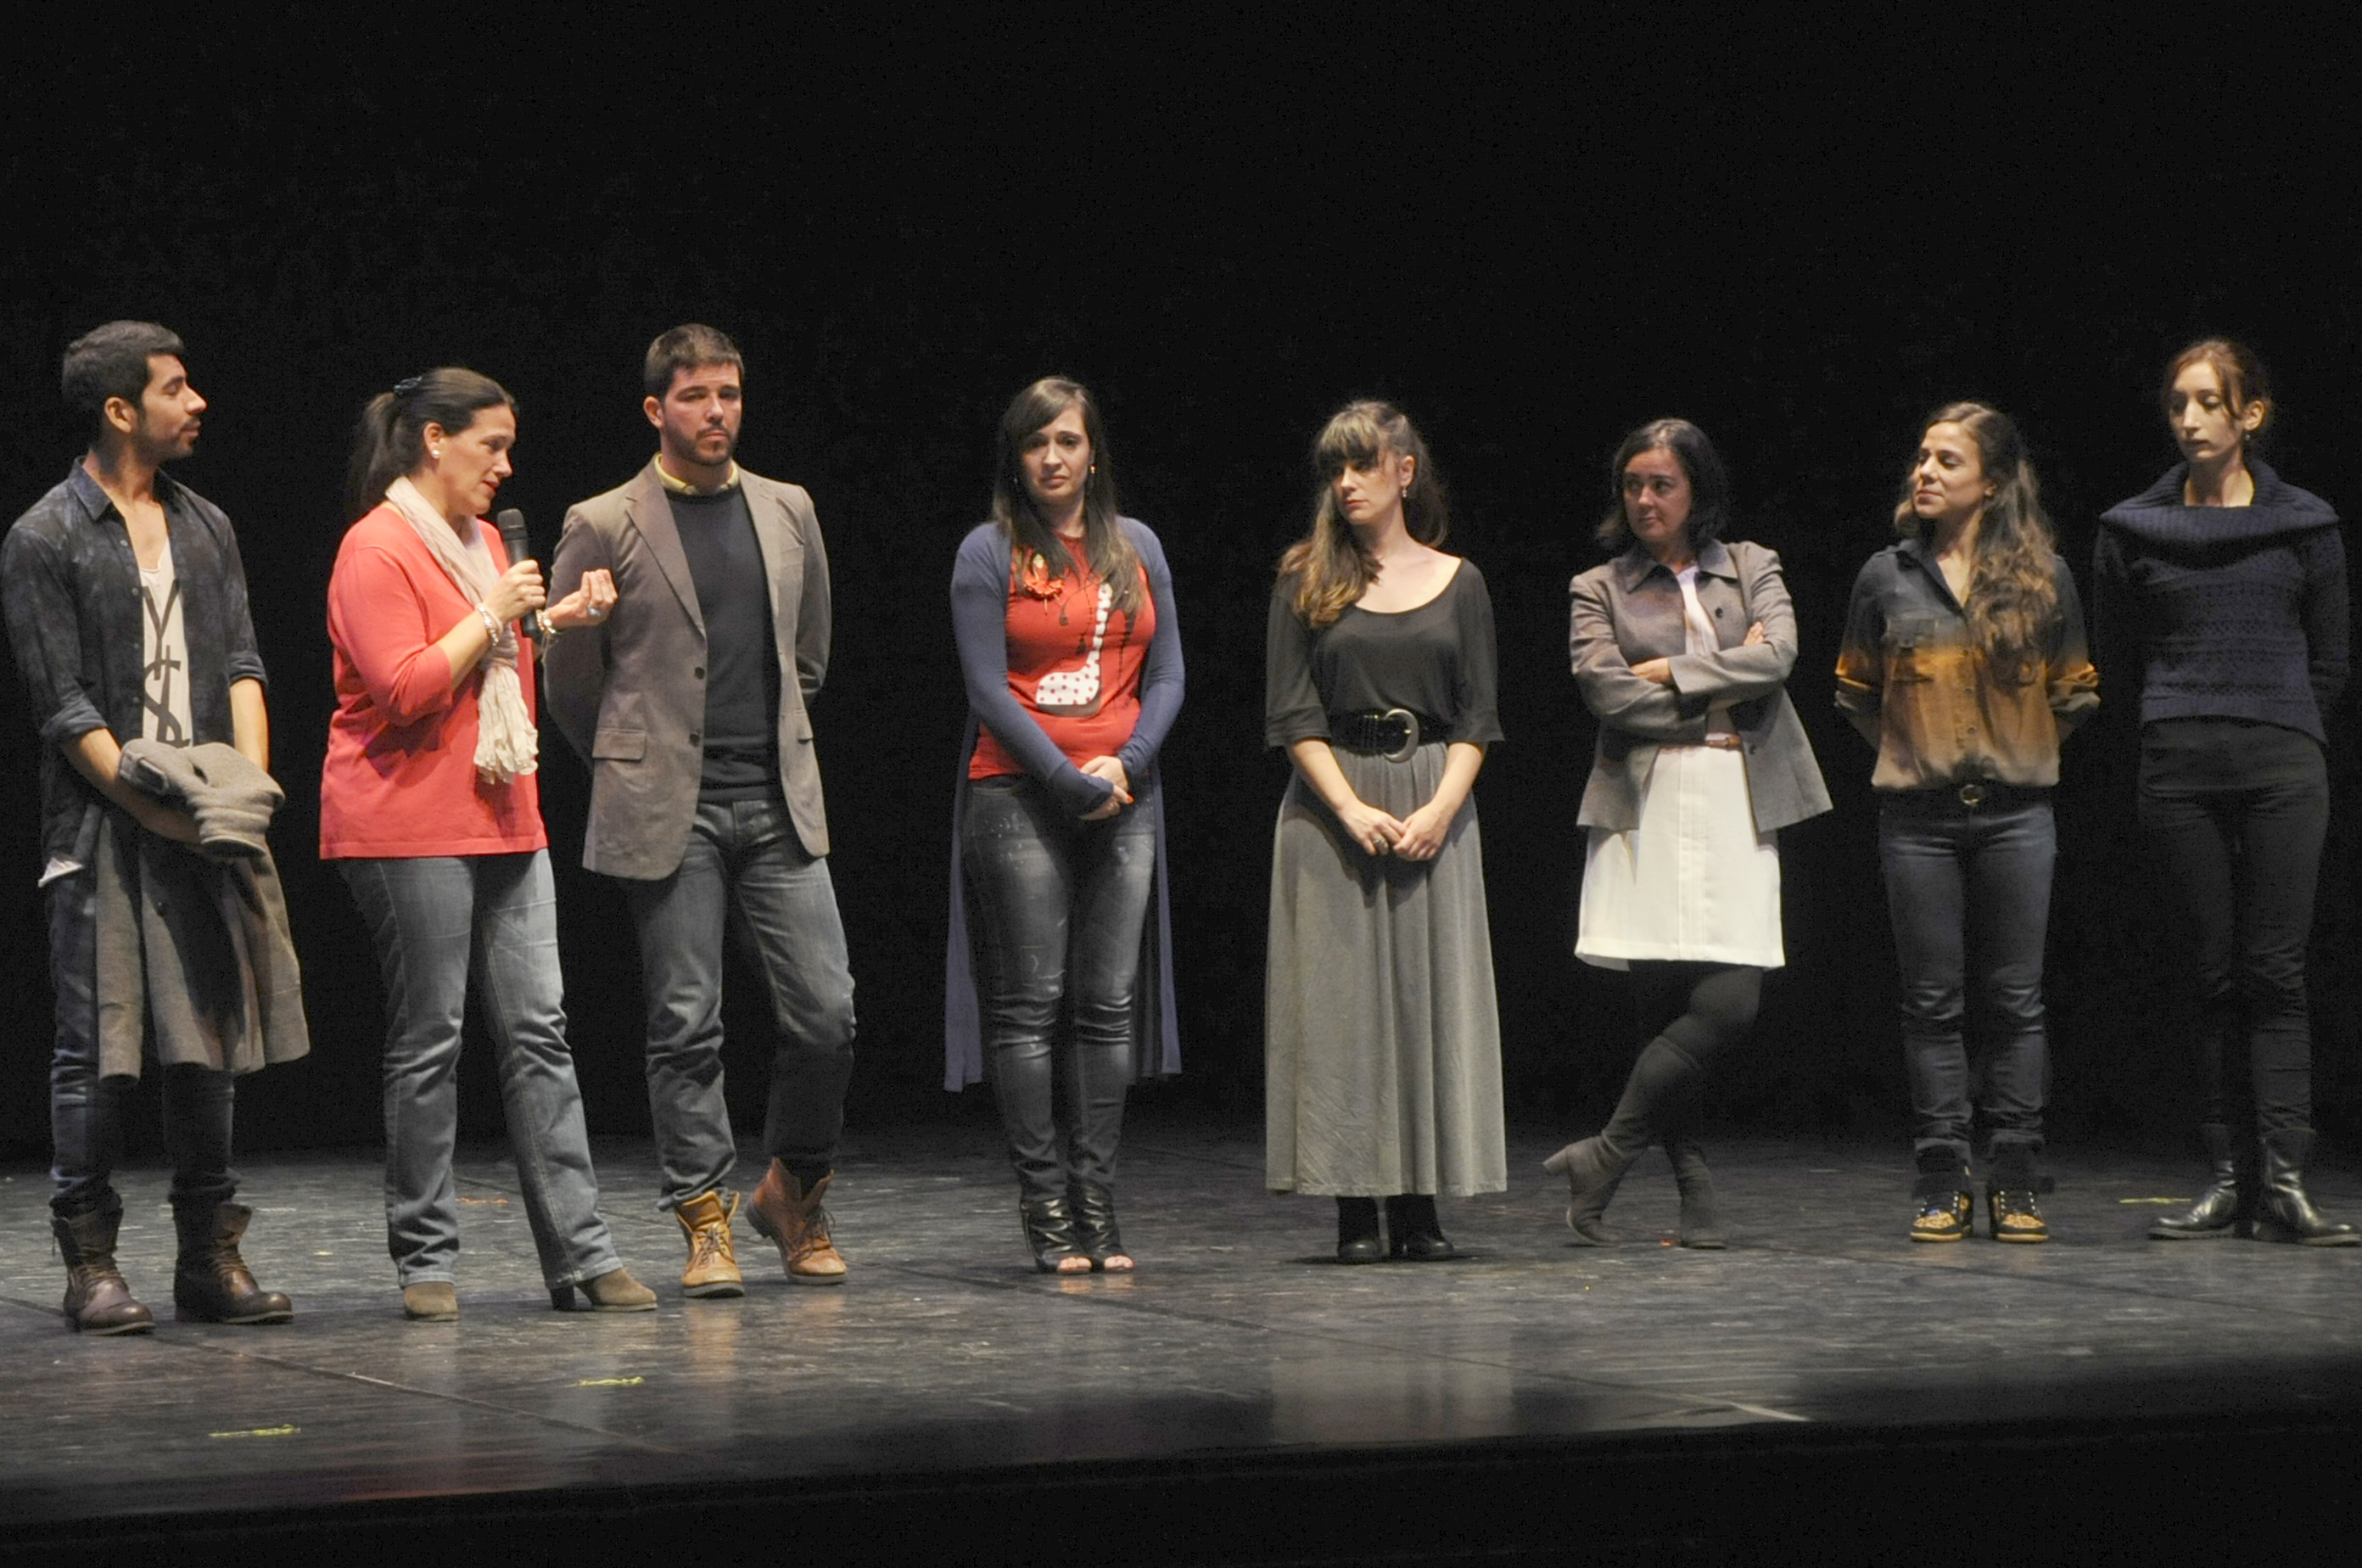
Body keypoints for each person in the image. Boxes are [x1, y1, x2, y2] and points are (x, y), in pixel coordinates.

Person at [322, 367, 654, 1319]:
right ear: (434, 440)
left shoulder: (474, 542)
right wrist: (498, 613)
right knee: (432, 1038)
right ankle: (426, 1260)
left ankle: (582, 1256)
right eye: (491, 446)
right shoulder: (374, 548)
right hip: (405, 820)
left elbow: (488, 658)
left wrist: (554, 619)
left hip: (504, 808)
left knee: (540, 1031)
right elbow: (408, 686)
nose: (505, 466)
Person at [3, 321, 305, 1334]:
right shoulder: (45, 536)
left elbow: (243, 666)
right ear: (120, 409)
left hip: (211, 819)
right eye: (177, 388)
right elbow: (66, 711)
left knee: (207, 1044)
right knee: (96, 1051)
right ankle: (91, 1264)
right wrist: (156, 813)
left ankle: (207, 1260)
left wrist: (242, 798)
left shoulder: (206, 525)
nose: (198, 401)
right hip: (103, 827)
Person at [546, 325, 857, 1291]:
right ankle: (705, 1219)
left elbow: (809, 655)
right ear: (656, 409)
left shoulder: (787, 507)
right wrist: (638, 761)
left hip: (775, 801)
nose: (717, 411)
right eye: (696, 396)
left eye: (729, 393)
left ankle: (792, 1191)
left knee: (827, 1015)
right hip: (667, 811)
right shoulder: (602, 520)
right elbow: (570, 680)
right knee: (687, 1024)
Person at [1548, 419, 1829, 1248]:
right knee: (1663, 1007)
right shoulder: (1596, 586)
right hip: (1648, 799)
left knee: (1730, 999)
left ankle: (1605, 1154)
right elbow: (1607, 696)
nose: (1644, 499)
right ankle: (1693, 1193)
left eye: (1661, 484)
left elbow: (1778, 656)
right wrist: (1720, 690)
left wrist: (1670, 670)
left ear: (1696, 490)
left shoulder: (1752, 566)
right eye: (1633, 484)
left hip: (1738, 795)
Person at [2094, 340, 2352, 1246]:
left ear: (2252, 414)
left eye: (2210, 403)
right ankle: (2227, 1177)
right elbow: (2116, 660)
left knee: (2274, 974)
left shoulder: (2305, 524)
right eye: (2178, 404)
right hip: (2180, 766)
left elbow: (2330, 660)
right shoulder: (2132, 527)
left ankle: (2284, 1182)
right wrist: (2179, 723)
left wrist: (2276, 723)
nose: (2191, 419)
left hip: (2282, 766)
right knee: (2211, 975)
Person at [1835, 402, 2096, 1242]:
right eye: (1921, 458)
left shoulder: (2043, 575)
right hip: (1917, 821)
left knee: (2015, 1002)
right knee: (1931, 1005)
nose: (1925, 472)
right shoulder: (1885, 576)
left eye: (1946, 461)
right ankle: (1942, 1173)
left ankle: (2016, 1175)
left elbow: (2076, 692)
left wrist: (2010, 748)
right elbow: (1855, 695)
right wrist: (1917, 753)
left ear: (1991, 482)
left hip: (2018, 817)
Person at [944, 377, 1184, 1273]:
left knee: (1107, 1005)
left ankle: (1098, 1204)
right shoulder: (989, 552)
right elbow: (986, 689)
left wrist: (1128, 764)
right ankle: (1046, 1208)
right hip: (1018, 794)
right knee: (1029, 1006)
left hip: (1125, 794)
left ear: (1094, 454)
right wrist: (1061, 777)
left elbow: (1167, 675)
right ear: (1017, 456)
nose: (1053, 458)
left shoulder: (1138, 548)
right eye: (1036, 443)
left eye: (1069, 442)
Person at [1264, 400, 1504, 1263]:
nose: (1346, 483)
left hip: (1434, 797)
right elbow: (1292, 714)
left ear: (1404, 471)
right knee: (1342, 1013)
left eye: (1361, 465)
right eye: (1336, 469)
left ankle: (1418, 1204)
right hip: (1334, 806)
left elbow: (1479, 715)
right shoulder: (1306, 576)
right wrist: (1351, 807)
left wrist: (1440, 808)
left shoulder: (1460, 581)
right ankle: (1355, 1208)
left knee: (1425, 1002)